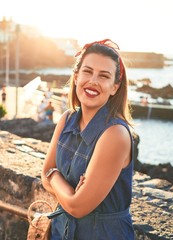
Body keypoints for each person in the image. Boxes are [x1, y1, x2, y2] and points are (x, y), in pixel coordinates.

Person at [41, 39, 135, 239]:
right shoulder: (66, 119)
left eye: (104, 76)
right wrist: (68, 189)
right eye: (87, 71)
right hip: (61, 232)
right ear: (76, 76)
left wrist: (54, 176)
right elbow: (44, 176)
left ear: (115, 87)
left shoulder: (115, 134)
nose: (93, 81)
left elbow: (77, 207)